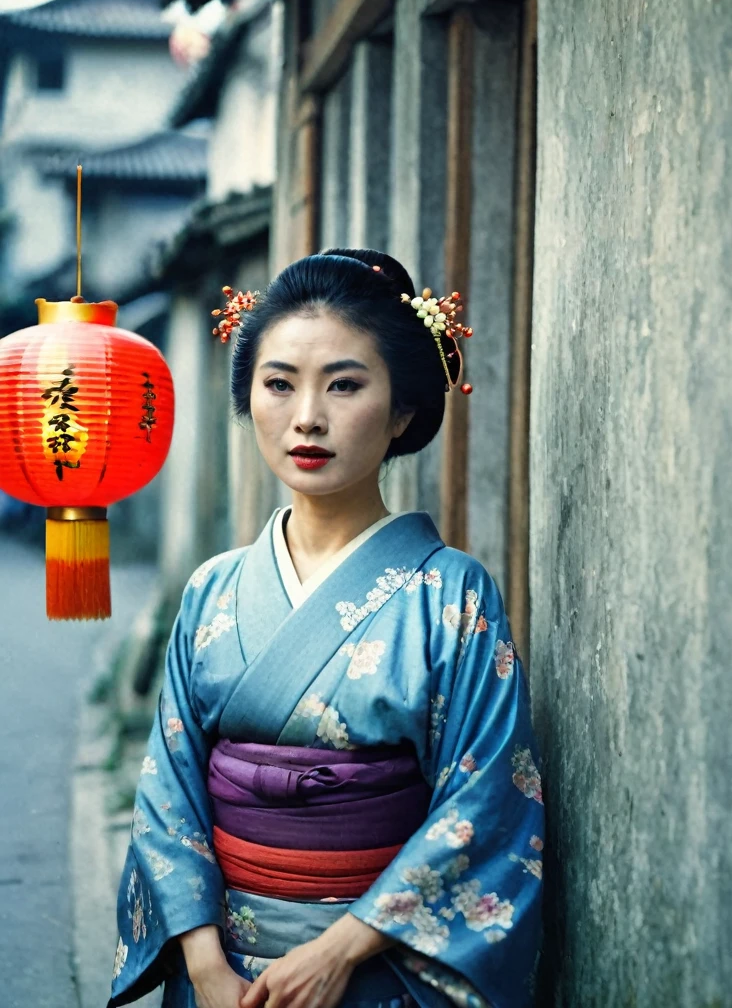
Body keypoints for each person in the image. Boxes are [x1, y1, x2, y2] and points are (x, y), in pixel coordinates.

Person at [109, 249, 543, 1008]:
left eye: (345, 385)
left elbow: (486, 802)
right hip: (221, 975)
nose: (307, 415)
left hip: (378, 969)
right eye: (279, 384)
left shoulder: (452, 594)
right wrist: (206, 966)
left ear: (403, 408)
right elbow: (167, 794)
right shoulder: (213, 591)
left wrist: (339, 952)